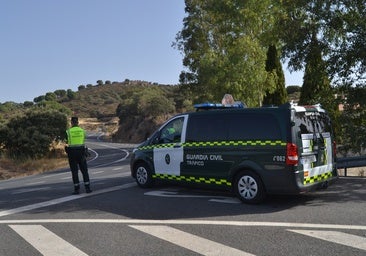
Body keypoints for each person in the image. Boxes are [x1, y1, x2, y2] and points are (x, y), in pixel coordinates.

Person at [65, 117, 92, 194]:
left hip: (72, 153)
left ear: (71, 123)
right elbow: (84, 140)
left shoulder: (68, 131)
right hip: (81, 152)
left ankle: (77, 190)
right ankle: (88, 188)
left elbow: (66, 141)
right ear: (78, 122)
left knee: (74, 172)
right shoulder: (82, 131)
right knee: (84, 171)